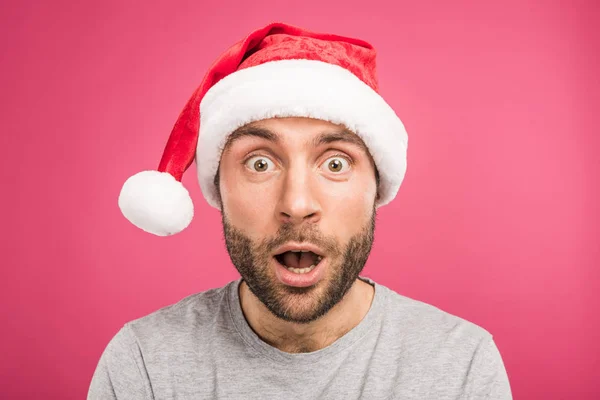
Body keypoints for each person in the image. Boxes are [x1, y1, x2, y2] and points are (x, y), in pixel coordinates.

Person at [88, 22, 512, 399]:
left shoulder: (461, 367)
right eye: (260, 163)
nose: (297, 204)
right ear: (218, 187)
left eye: (335, 163)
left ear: (375, 186)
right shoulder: (144, 366)